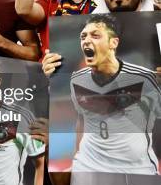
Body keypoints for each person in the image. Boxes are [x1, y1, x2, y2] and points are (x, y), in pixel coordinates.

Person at [65, 15, 159, 174]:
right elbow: (82, 118)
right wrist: (77, 157)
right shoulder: (77, 79)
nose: (86, 40)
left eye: (95, 35)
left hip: (136, 169)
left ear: (113, 43)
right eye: (83, 36)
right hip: (88, 164)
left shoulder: (145, 78)